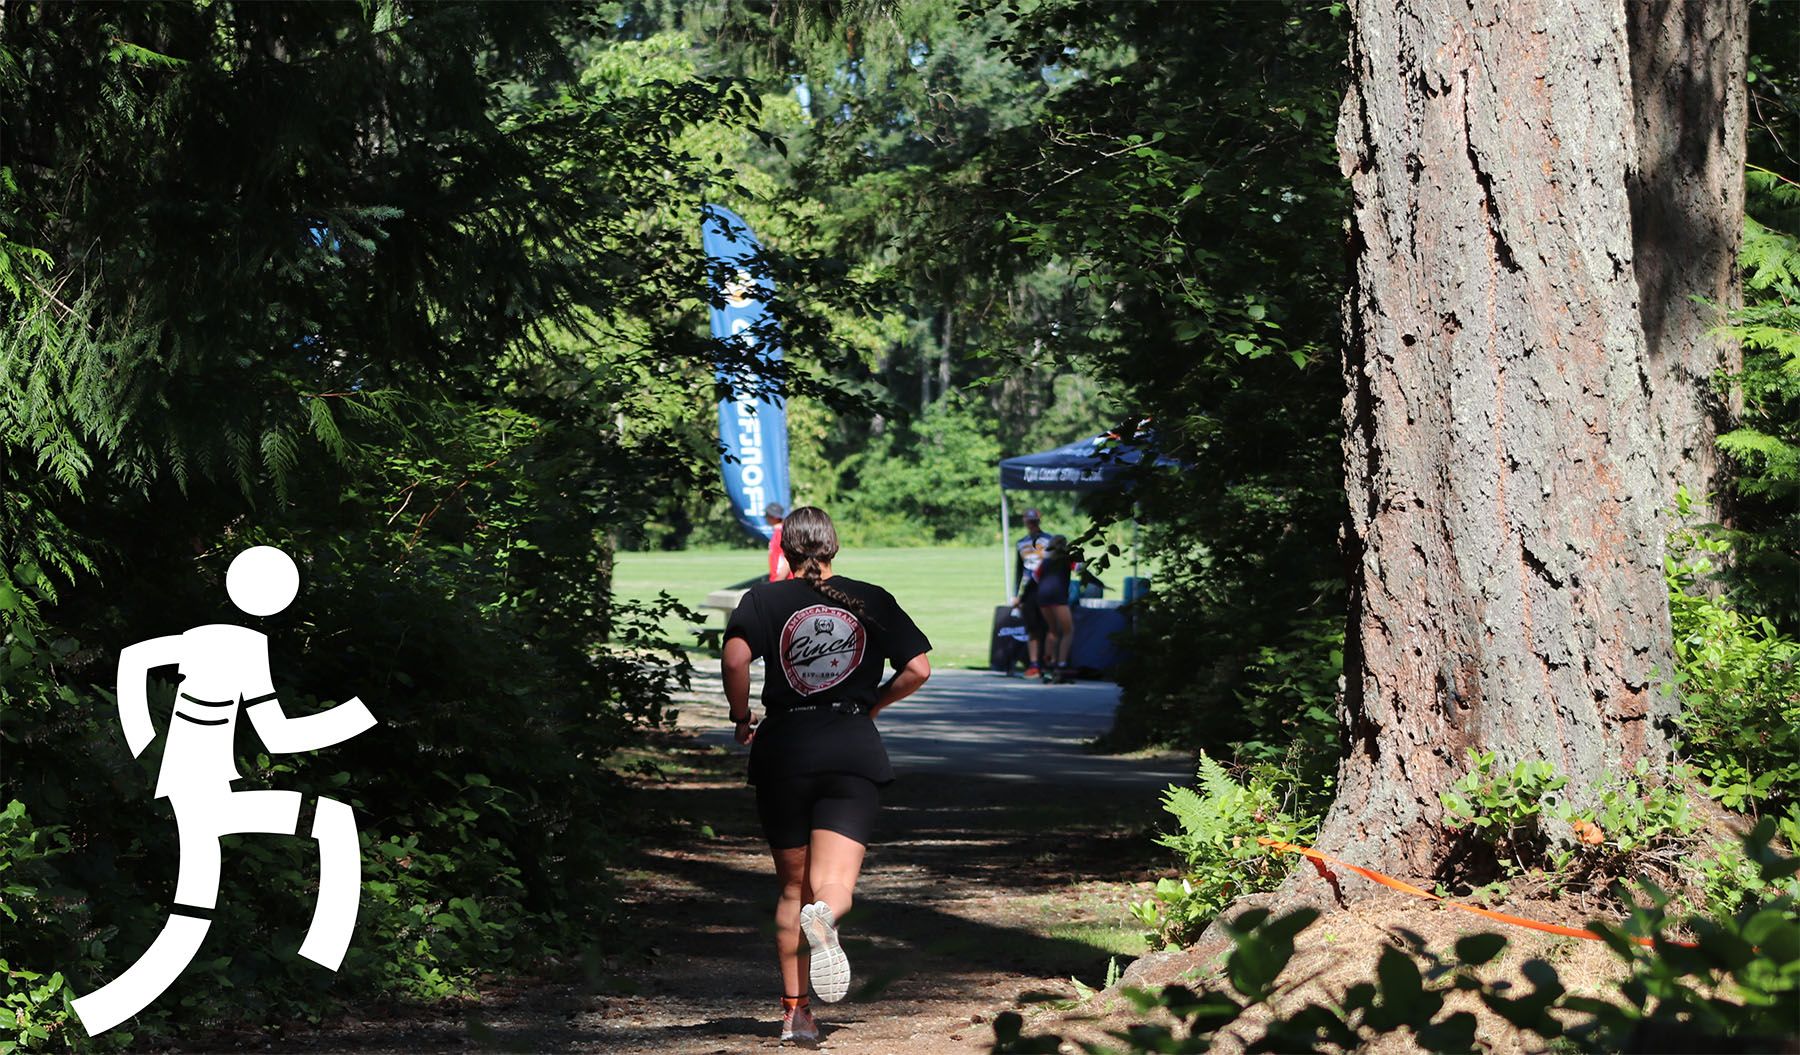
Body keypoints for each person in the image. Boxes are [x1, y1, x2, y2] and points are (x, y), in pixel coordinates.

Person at [722, 506, 932, 1041]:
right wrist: (875, 704)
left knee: (792, 887)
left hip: (785, 748)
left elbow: (735, 661)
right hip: (850, 746)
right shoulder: (870, 600)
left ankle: (796, 1014)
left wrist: (741, 717)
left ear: (786, 549)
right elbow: (918, 667)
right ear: (832, 546)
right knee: (832, 885)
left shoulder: (763, 601)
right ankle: (827, 920)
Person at [1010, 509, 1052, 679]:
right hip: (1029, 590)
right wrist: (1015, 594)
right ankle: (1034, 664)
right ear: (1025, 522)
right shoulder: (1021, 543)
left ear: (1039, 521)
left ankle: (1048, 662)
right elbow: (1019, 570)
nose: (1032, 524)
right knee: (1032, 627)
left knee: (1048, 627)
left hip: (1046, 587)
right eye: (1029, 521)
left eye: (1034, 521)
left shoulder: (1049, 540)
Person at [1033, 534, 1077, 683]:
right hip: (1058, 597)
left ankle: (1048, 666)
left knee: (1052, 630)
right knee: (1067, 631)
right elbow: (1080, 569)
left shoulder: (1045, 561)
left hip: (1043, 597)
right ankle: (1061, 665)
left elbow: (1036, 576)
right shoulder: (1067, 560)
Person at [765, 502, 790, 581]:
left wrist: (777, 582)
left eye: (767, 515)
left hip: (783, 582)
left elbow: (788, 560)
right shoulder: (778, 532)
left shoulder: (781, 533)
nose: (765, 517)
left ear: (774, 517)